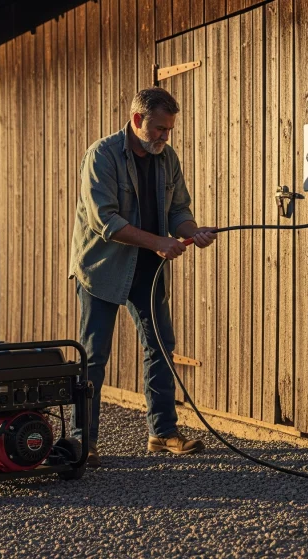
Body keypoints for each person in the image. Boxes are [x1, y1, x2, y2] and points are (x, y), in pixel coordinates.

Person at [68, 87, 217, 467]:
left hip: (148, 268)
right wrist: (159, 243)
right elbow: (106, 221)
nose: (166, 137)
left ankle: (162, 434)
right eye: (159, 129)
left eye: (169, 130)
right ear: (137, 120)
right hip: (101, 269)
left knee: (161, 348)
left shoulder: (167, 158)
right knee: (93, 357)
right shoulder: (100, 155)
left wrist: (193, 232)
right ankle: (82, 442)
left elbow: (179, 210)